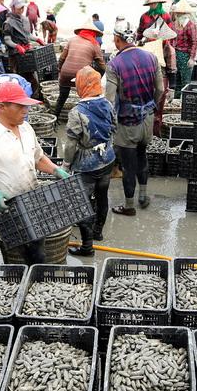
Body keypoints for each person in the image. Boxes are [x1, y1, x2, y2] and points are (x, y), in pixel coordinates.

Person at [0, 82, 69, 265]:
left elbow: (38, 157)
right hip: (10, 210)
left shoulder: (26, 128)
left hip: (33, 202)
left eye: (26, 105)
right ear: (2, 106)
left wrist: (55, 169)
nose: (26, 110)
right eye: (20, 106)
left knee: (37, 248)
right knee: (29, 257)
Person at [105, 22, 164, 216]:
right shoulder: (151, 57)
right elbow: (160, 89)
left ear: (117, 39)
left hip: (128, 123)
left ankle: (129, 206)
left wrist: (111, 123)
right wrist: (151, 106)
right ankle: (143, 197)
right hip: (147, 120)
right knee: (142, 156)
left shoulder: (115, 65)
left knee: (128, 166)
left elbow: (109, 100)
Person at [63, 66, 116, 256]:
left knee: (82, 203)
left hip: (87, 165)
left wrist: (66, 165)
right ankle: (98, 232)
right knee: (102, 196)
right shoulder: (108, 104)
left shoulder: (77, 112)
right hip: (107, 159)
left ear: (82, 86)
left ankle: (87, 247)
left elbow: (71, 144)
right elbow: (114, 127)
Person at [56, 22, 105, 119]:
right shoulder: (95, 44)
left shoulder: (72, 40)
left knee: (62, 96)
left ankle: (55, 117)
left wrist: (60, 70)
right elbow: (102, 66)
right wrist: (98, 77)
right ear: (94, 34)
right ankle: (84, 118)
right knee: (86, 97)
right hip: (82, 75)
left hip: (66, 73)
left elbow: (61, 58)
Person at [3, 0, 44, 98]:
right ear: (13, 8)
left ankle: (33, 96)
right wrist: (17, 46)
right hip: (15, 55)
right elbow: (7, 40)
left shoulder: (25, 19)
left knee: (31, 76)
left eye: (22, 8)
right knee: (18, 77)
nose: (21, 10)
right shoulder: (8, 23)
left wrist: (37, 39)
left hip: (26, 52)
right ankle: (19, 98)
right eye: (19, 8)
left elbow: (28, 35)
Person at [170, 0, 197, 97]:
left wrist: (192, 58)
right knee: (177, 80)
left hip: (186, 55)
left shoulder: (190, 25)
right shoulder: (175, 24)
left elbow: (194, 42)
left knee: (185, 82)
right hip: (176, 55)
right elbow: (172, 39)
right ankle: (177, 100)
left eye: (180, 13)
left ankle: (185, 100)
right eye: (177, 13)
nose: (178, 15)